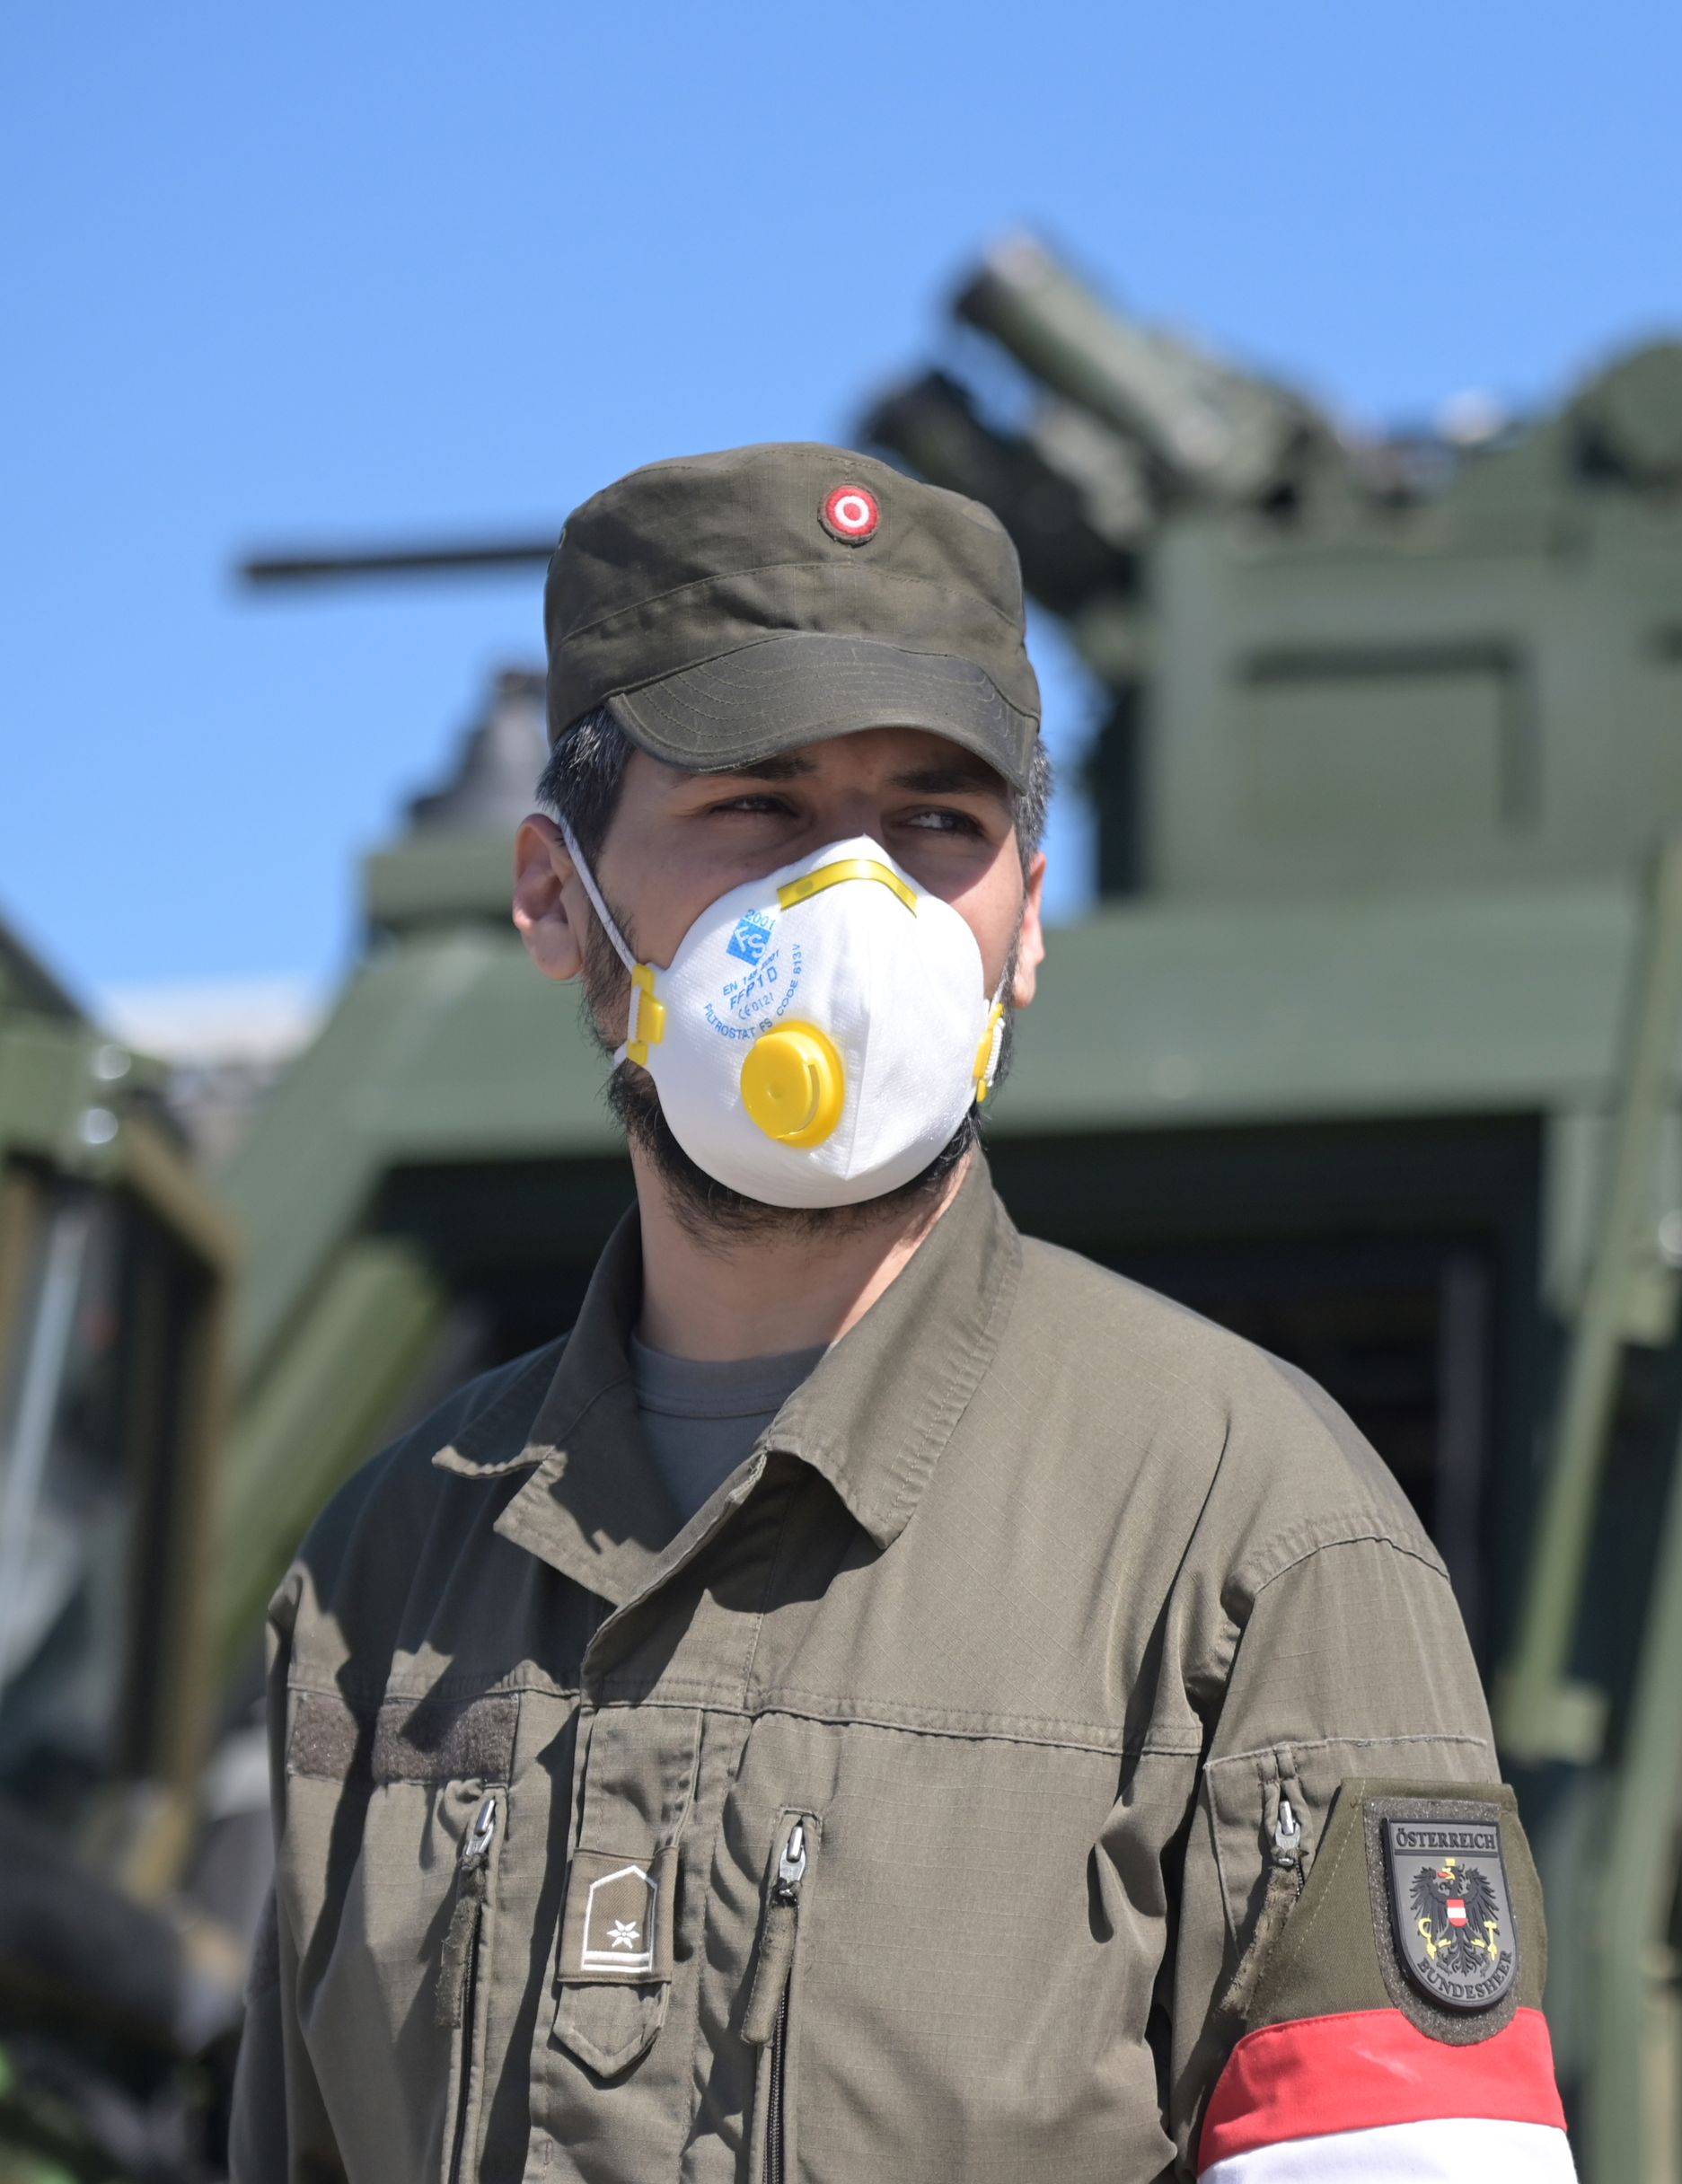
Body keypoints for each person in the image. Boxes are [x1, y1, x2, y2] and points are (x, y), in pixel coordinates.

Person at [231, 445, 1573, 2182]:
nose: (855, 906)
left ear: (1025, 921)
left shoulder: (1251, 1537)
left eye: (937, 822)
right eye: (759, 809)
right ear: (559, 897)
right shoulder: (381, 1573)